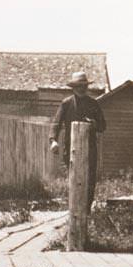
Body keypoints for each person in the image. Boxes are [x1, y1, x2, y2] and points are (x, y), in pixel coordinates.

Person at [49, 71, 107, 212]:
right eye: (78, 86)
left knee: (89, 181)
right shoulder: (67, 103)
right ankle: (74, 212)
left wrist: (94, 124)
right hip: (71, 149)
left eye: (84, 86)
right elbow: (56, 123)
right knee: (74, 180)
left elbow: (103, 126)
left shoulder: (93, 104)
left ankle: (86, 212)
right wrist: (53, 140)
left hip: (89, 149)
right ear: (73, 87)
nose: (82, 89)